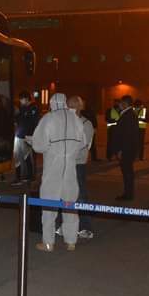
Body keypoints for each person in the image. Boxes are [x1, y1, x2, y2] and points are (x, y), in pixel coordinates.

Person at [32, 93, 86, 252]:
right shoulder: (75, 119)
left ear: (51, 103)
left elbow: (39, 145)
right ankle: (71, 241)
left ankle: (48, 243)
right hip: (70, 169)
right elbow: (83, 142)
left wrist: (49, 147)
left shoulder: (48, 119)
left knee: (49, 206)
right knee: (70, 205)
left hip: (52, 169)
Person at [70, 96, 95, 239]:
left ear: (80, 107)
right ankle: (66, 225)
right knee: (64, 196)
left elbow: (83, 144)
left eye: (73, 105)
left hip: (78, 164)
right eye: (69, 105)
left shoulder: (86, 124)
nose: (70, 108)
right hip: (65, 163)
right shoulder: (65, 122)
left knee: (80, 196)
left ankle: (86, 227)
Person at [112, 95, 140, 200]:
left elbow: (127, 136)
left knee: (127, 173)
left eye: (120, 103)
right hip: (128, 149)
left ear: (125, 103)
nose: (118, 104)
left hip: (126, 150)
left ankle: (128, 195)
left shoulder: (128, 115)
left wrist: (121, 150)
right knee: (127, 172)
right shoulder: (129, 114)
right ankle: (128, 193)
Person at [12, 91, 40, 186]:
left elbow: (33, 122)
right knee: (18, 157)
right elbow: (18, 120)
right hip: (19, 136)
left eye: (21, 99)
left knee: (28, 157)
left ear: (26, 99)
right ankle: (19, 177)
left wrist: (30, 135)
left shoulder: (33, 108)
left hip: (28, 137)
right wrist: (17, 114)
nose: (20, 101)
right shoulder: (22, 108)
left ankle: (30, 177)